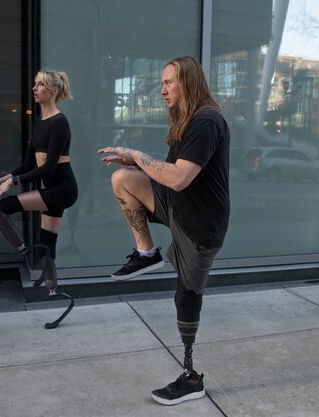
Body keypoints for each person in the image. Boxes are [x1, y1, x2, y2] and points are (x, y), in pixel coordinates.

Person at [98, 56, 230, 405]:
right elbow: (170, 173)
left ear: (187, 82)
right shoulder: (186, 123)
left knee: (186, 296)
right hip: (176, 209)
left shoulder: (207, 121)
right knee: (123, 179)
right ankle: (147, 252)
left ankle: (191, 377)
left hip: (200, 227)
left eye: (168, 82)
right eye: (162, 83)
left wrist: (138, 154)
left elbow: (178, 176)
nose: (162, 89)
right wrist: (136, 163)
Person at [0, 70, 78, 296]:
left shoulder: (60, 122)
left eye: (40, 85)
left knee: (0, 208)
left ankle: (24, 249)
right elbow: (28, 163)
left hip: (63, 189)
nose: (34, 88)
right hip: (52, 189)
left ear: (53, 91)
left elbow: (48, 168)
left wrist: (15, 182)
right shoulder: (39, 123)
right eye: (34, 84)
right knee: (48, 243)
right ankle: (52, 288)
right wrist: (6, 178)